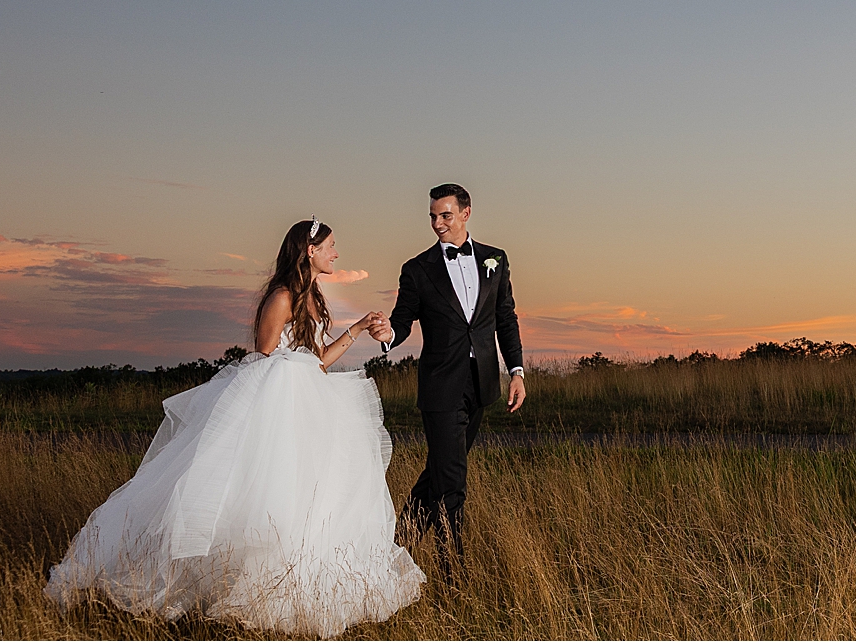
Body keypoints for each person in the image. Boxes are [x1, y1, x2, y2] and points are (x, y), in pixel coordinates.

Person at [45, 218, 424, 638]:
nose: (337, 253)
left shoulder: (313, 297)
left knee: (316, 496)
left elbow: (316, 361)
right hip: (278, 402)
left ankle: (296, 587)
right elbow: (265, 354)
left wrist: (355, 331)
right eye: (331, 245)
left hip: (311, 399)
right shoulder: (282, 297)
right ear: (309, 250)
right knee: (262, 496)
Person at [371, 182, 525, 557]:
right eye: (433, 217)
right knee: (453, 480)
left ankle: (395, 549)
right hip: (441, 387)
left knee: (442, 473)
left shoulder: (495, 259)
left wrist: (516, 370)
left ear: (465, 213)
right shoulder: (417, 269)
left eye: (445, 215)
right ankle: (452, 566)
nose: (438, 223)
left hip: (482, 384)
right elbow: (403, 319)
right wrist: (388, 333)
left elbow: (505, 318)